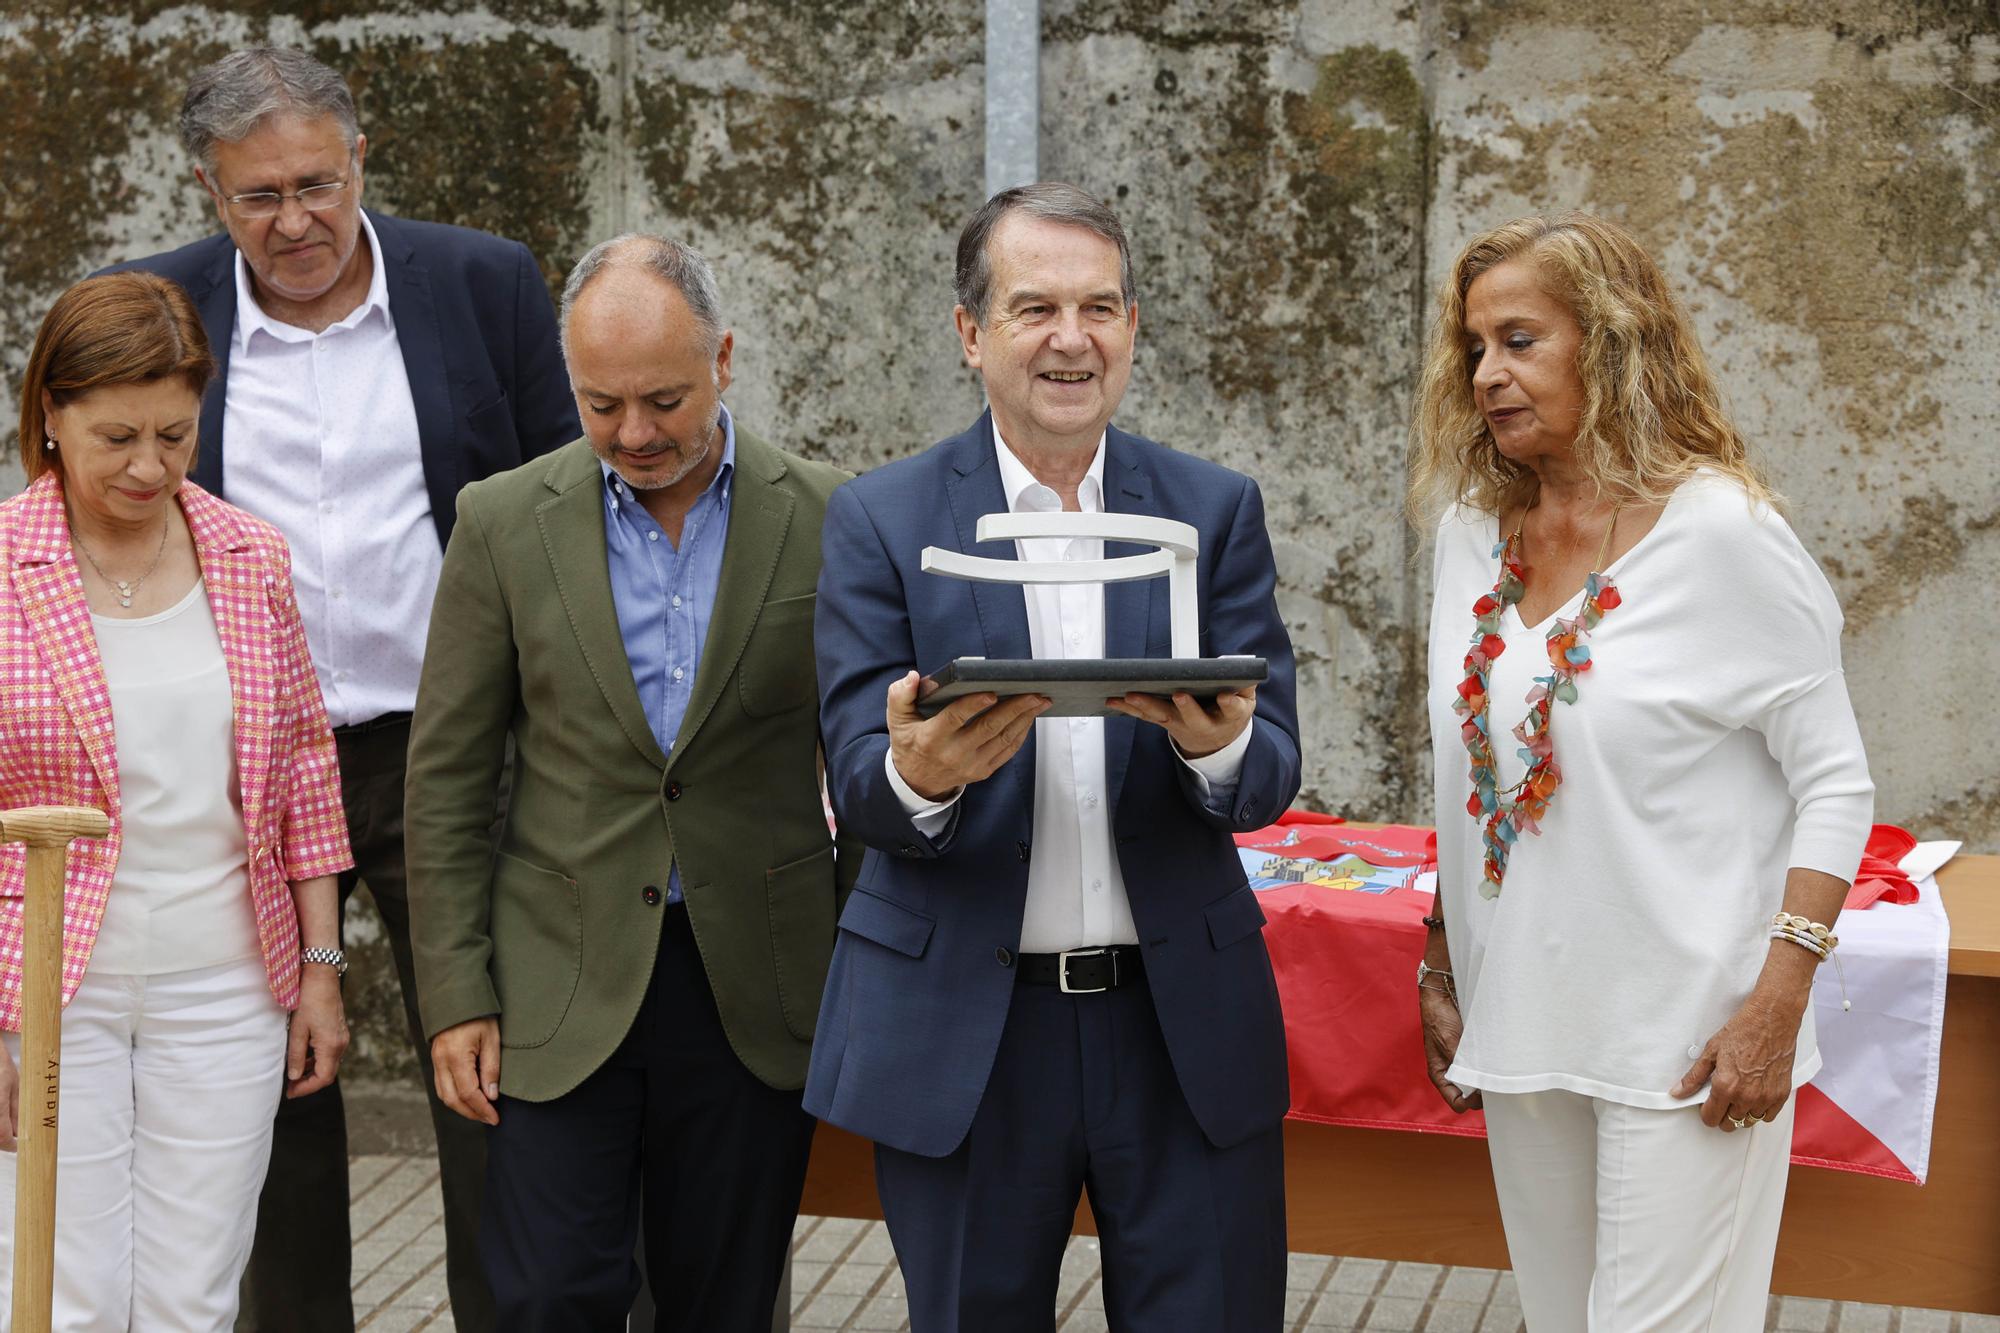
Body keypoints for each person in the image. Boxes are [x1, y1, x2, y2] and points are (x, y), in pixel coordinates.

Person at [105, 46, 578, 1330]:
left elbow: (563, 515)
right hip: (244, 768)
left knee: (494, 1080)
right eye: (259, 196)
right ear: (210, 190)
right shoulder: (151, 308)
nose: (296, 220)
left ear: (361, 158)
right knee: (271, 1091)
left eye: (317, 181)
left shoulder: (483, 285)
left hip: (453, 751)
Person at [807, 182, 1302, 1332]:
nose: (1070, 339)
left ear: (1132, 328)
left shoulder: (1211, 507)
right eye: (1034, 308)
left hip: (1174, 1023)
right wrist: (925, 772)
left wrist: (1219, 746)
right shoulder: (881, 518)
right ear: (971, 333)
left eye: (1099, 307)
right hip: (967, 1035)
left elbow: (1270, 765)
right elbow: (854, 783)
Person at [1408, 212, 1875, 1330]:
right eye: (1473, 348)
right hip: (1521, 1018)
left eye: (1519, 340)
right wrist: (1438, 953)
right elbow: (1476, 765)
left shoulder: (1723, 534)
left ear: (1609, 342)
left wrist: (1775, 1002)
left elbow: (1836, 785)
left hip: (1689, 1038)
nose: (1486, 374)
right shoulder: (1471, 532)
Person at [405, 234, 860, 1331]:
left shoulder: (834, 517)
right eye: (599, 404)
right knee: (547, 1295)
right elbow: (448, 780)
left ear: (725, 360)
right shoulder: (502, 521)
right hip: (553, 987)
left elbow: (868, 764)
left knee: (720, 1300)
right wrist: (455, 993)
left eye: (663, 398)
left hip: (753, 988)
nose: (635, 434)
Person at [0, 271, 352, 1328]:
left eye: (175, 434)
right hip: (49, 986)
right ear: (50, 416)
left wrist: (322, 972)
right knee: (64, 1287)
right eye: (116, 437)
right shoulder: (4, 563)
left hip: (228, 981)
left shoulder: (249, 555)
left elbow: (303, 773)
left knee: (195, 1293)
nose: (149, 466)